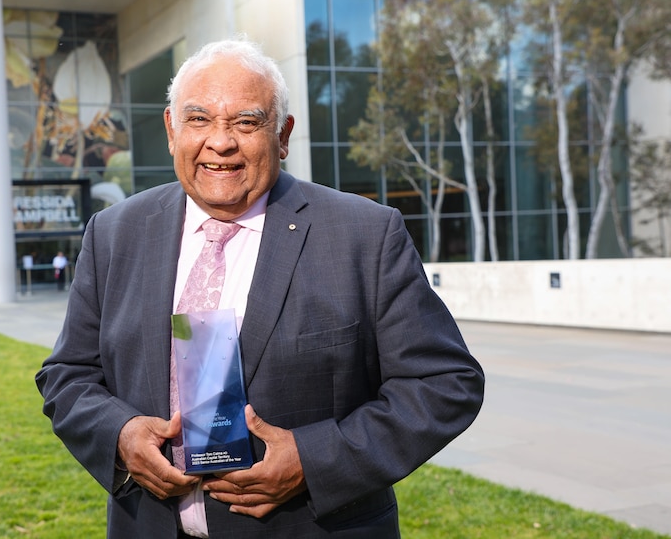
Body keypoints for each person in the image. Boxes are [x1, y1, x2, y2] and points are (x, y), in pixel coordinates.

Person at [36, 37, 484, 538]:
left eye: (245, 122)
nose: (220, 142)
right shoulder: (114, 233)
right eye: (199, 119)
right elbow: (68, 375)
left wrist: (314, 461)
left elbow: (444, 384)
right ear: (171, 129)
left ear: (283, 135)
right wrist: (118, 436)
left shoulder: (364, 235)